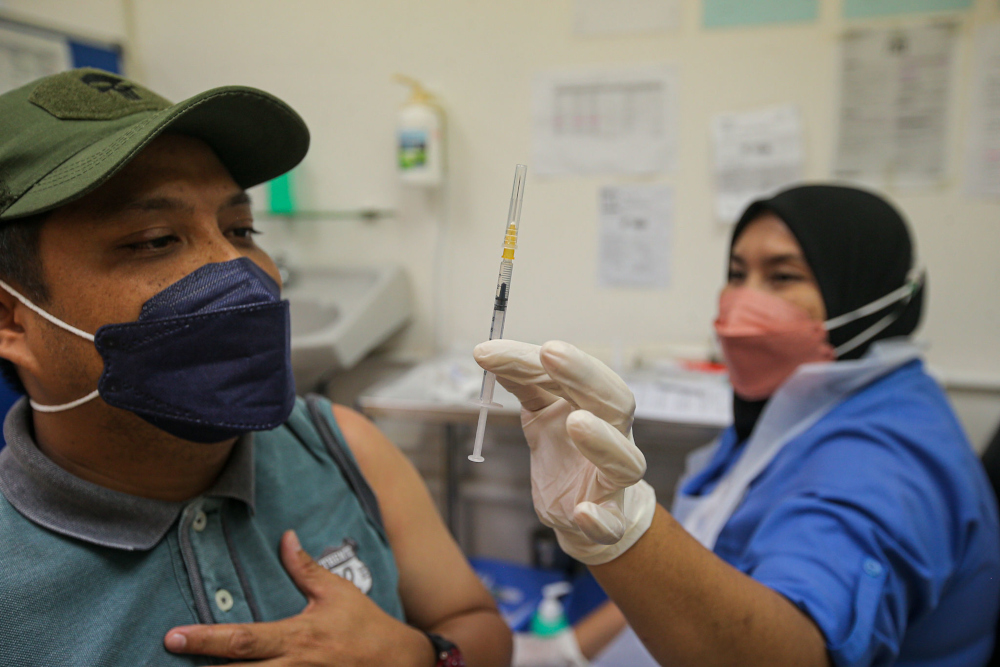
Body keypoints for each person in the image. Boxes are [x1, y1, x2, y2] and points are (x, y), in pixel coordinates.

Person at [0, 68, 511, 666]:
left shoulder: (341, 447)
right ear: (12, 320)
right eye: (155, 239)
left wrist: (422, 657)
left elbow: (479, 627)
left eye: (241, 229)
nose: (244, 275)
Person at [476, 184, 1000, 666]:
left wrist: (631, 533)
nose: (743, 302)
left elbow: (799, 650)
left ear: (865, 292)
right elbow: (700, 560)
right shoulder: (801, 406)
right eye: (736, 273)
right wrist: (563, 653)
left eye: (783, 276)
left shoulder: (884, 459)